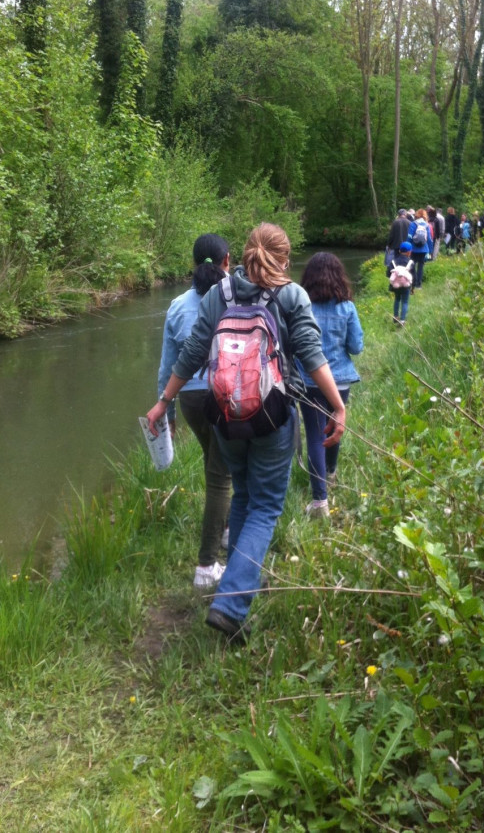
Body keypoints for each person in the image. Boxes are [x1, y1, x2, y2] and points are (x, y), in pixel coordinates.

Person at [146, 223, 346, 644]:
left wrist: (165, 400)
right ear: (285, 259)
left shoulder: (220, 293)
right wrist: (338, 404)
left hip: (223, 415)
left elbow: (195, 350)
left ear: (240, 255)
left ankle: (238, 579)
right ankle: (232, 603)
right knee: (267, 506)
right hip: (272, 417)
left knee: (243, 495)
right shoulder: (291, 295)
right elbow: (311, 355)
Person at [157, 234, 233, 590]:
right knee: (222, 475)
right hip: (223, 396)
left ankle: (226, 527)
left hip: (187, 398)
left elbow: (167, 366)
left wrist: (167, 412)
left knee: (213, 461)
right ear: (227, 261)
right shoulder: (236, 298)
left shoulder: (175, 306)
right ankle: (208, 564)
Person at [297, 252, 363, 517]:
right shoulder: (347, 308)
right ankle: (331, 474)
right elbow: (356, 347)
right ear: (339, 276)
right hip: (340, 380)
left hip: (308, 380)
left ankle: (319, 501)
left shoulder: (302, 307)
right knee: (335, 425)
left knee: (314, 435)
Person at [389, 240, 414, 324]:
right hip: (406, 286)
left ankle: (395, 317)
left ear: (399, 251)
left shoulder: (393, 261)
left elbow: (388, 272)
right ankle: (402, 320)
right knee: (405, 302)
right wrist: (413, 287)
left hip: (396, 285)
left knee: (397, 299)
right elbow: (414, 276)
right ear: (409, 252)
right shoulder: (410, 262)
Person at [408, 209, 432, 289]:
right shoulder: (426, 225)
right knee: (420, 267)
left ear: (416, 215)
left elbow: (409, 237)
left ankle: (413, 283)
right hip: (423, 249)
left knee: (412, 266)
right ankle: (419, 285)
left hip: (413, 249)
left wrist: (408, 247)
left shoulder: (413, 224)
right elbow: (429, 238)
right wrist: (430, 250)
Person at [385, 209, 410, 275]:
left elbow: (391, 235)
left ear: (398, 215)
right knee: (406, 259)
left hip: (397, 245)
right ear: (405, 214)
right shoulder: (409, 222)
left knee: (396, 259)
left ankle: (397, 274)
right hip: (407, 245)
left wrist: (389, 245)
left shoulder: (395, 222)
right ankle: (406, 273)